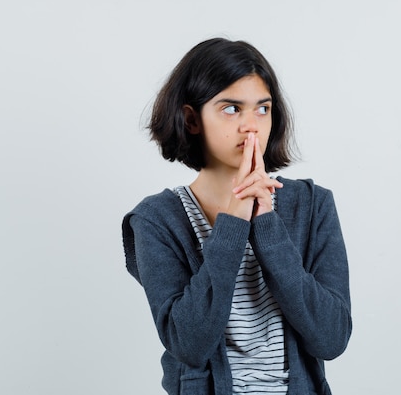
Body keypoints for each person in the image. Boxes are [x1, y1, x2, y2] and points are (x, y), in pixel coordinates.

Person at [122, 38, 352, 395]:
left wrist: (268, 229)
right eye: (231, 109)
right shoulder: (156, 220)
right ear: (191, 119)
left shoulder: (313, 204)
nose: (252, 127)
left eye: (263, 109)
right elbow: (189, 344)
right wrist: (230, 228)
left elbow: (332, 339)